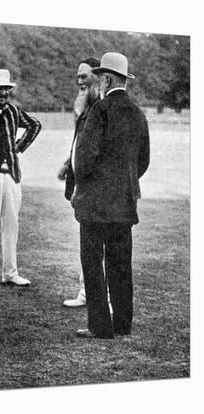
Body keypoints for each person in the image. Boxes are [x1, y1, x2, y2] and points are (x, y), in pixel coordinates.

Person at [72, 52, 150, 339]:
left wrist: (88, 186)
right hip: (124, 203)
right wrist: (123, 183)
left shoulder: (99, 111)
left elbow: (84, 160)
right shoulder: (138, 114)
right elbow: (143, 161)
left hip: (95, 204)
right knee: (120, 264)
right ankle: (122, 324)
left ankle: (100, 326)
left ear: (105, 78)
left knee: (93, 265)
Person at [0, 69, 41, 290]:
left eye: (6, 89)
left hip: (12, 174)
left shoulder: (13, 111)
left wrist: (17, 149)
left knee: (11, 225)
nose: (3, 93)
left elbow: (34, 126)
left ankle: (10, 272)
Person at [58, 57, 101, 308]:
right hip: (81, 184)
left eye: (84, 75)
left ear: (97, 77)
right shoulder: (85, 108)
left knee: (95, 243)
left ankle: (96, 296)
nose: (80, 80)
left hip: (93, 189)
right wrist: (68, 162)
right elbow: (81, 144)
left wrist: (82, 187)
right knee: (88, 241)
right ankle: (87, 292)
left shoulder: (100, 109)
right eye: (78, 76)